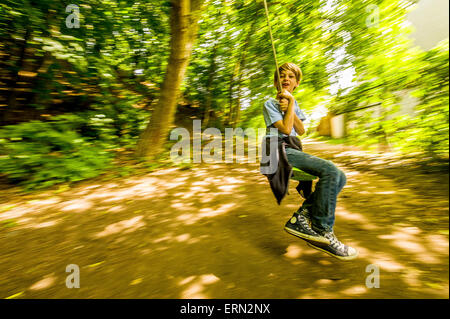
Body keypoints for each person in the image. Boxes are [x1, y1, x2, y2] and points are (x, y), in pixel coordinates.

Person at [262, 62, 358, 261]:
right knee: (331, 171)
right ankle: (323, 230)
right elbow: (286, 130)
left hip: (292, 147)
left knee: (339, 176)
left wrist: (291, 105)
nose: (286, 79)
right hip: (277, 150)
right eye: (282, 76)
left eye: (290, 76)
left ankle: (303, 215)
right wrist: (286, 107)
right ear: (276, 83)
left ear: (296, 83)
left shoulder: (292, 103)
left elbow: (301, 130)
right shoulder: (270, 104)